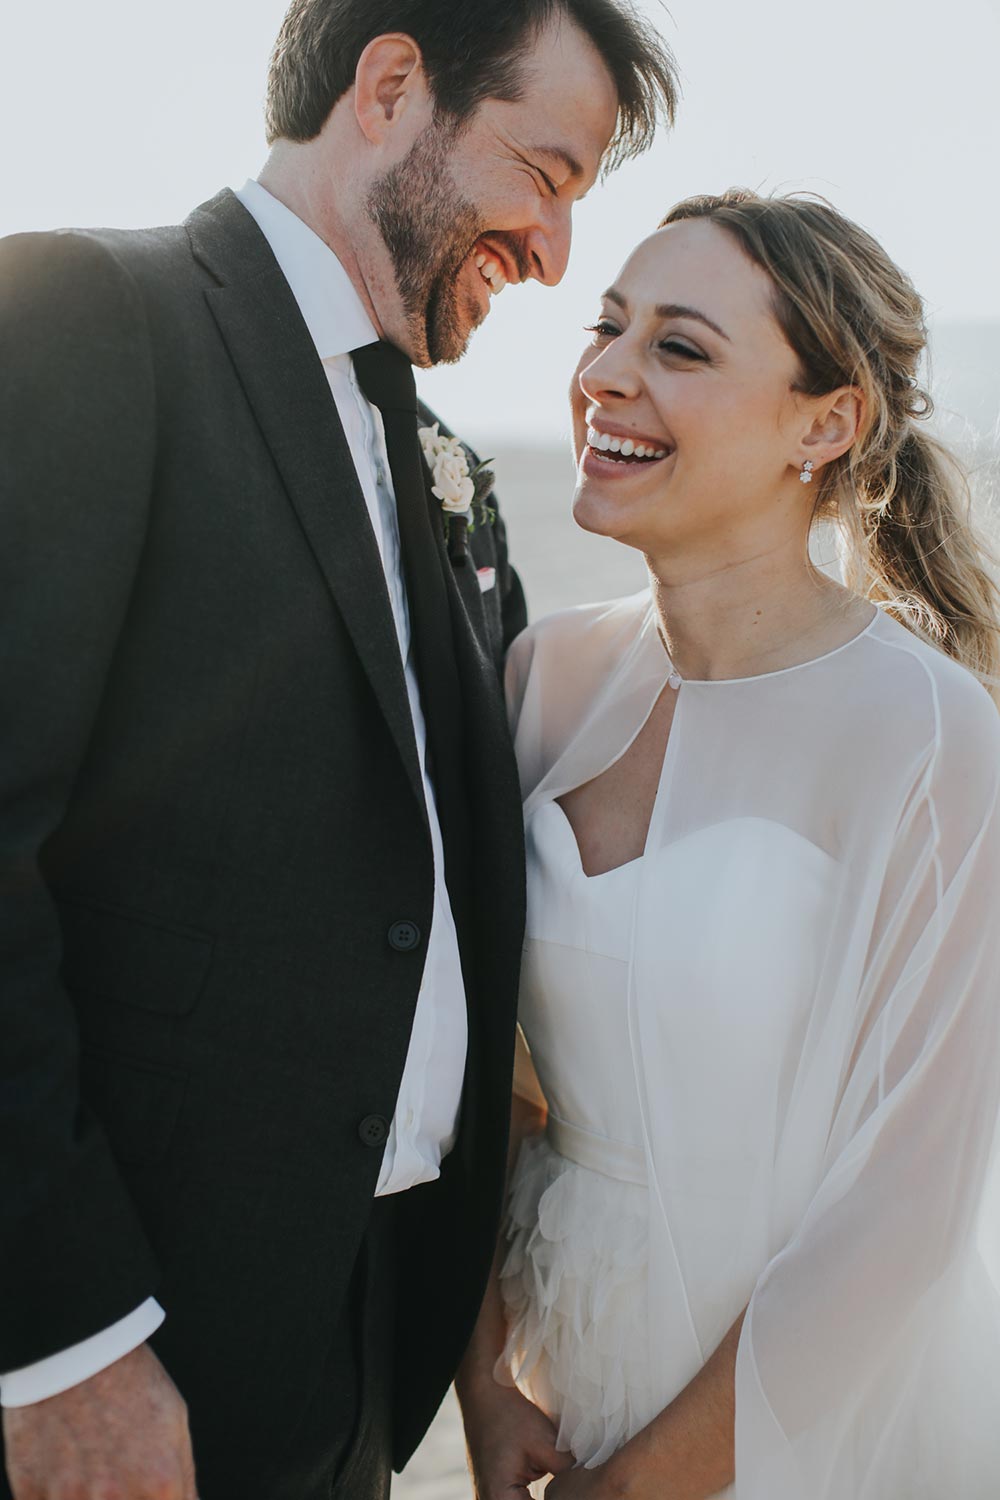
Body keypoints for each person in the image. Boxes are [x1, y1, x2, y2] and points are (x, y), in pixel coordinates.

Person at [0, 3, 678, 1497]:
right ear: (389, 88)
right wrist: (59, 1346)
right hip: (121, 1361)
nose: (556, 252)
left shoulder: (442, 467)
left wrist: (457, 1362)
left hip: (359, 1368)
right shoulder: (86, 317)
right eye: (544, 173)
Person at [457, 189, 1000, 1499]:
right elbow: (494, 1075)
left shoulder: (929, 735)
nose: (607, 375)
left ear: (827, 425)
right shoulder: (545, 679)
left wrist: (643, 1484)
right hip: (574, 1369)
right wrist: (480, 1374)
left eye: (681, 348)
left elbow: (908, 1209)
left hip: (818, 1410)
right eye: (607, 327)